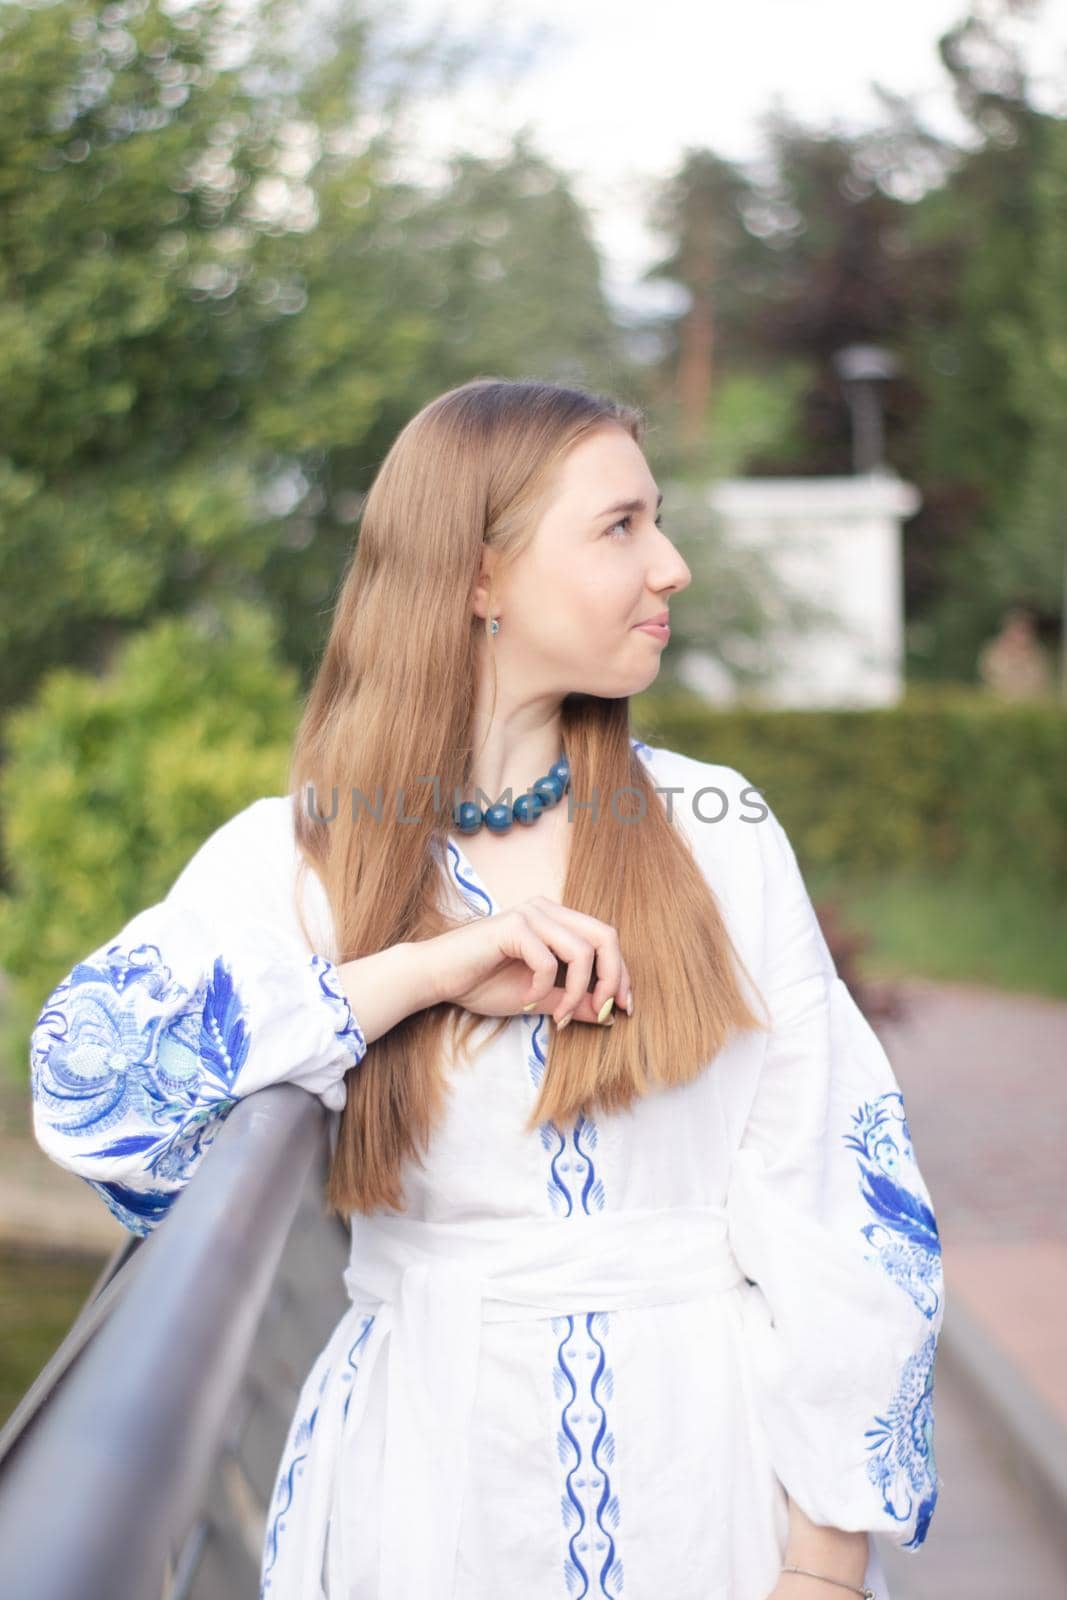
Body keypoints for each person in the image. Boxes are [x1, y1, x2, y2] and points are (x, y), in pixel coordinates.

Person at [29, 378, 943, 1600]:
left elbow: (840, 1197)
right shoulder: (300, 857)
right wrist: (422, 970)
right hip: (422, 1487)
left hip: (709, 1486)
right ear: (478, 577)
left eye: (654, 520)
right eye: (620, 526)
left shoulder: (713, 831)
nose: (669, 565)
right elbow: (93, 1094)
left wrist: (824, 1563)